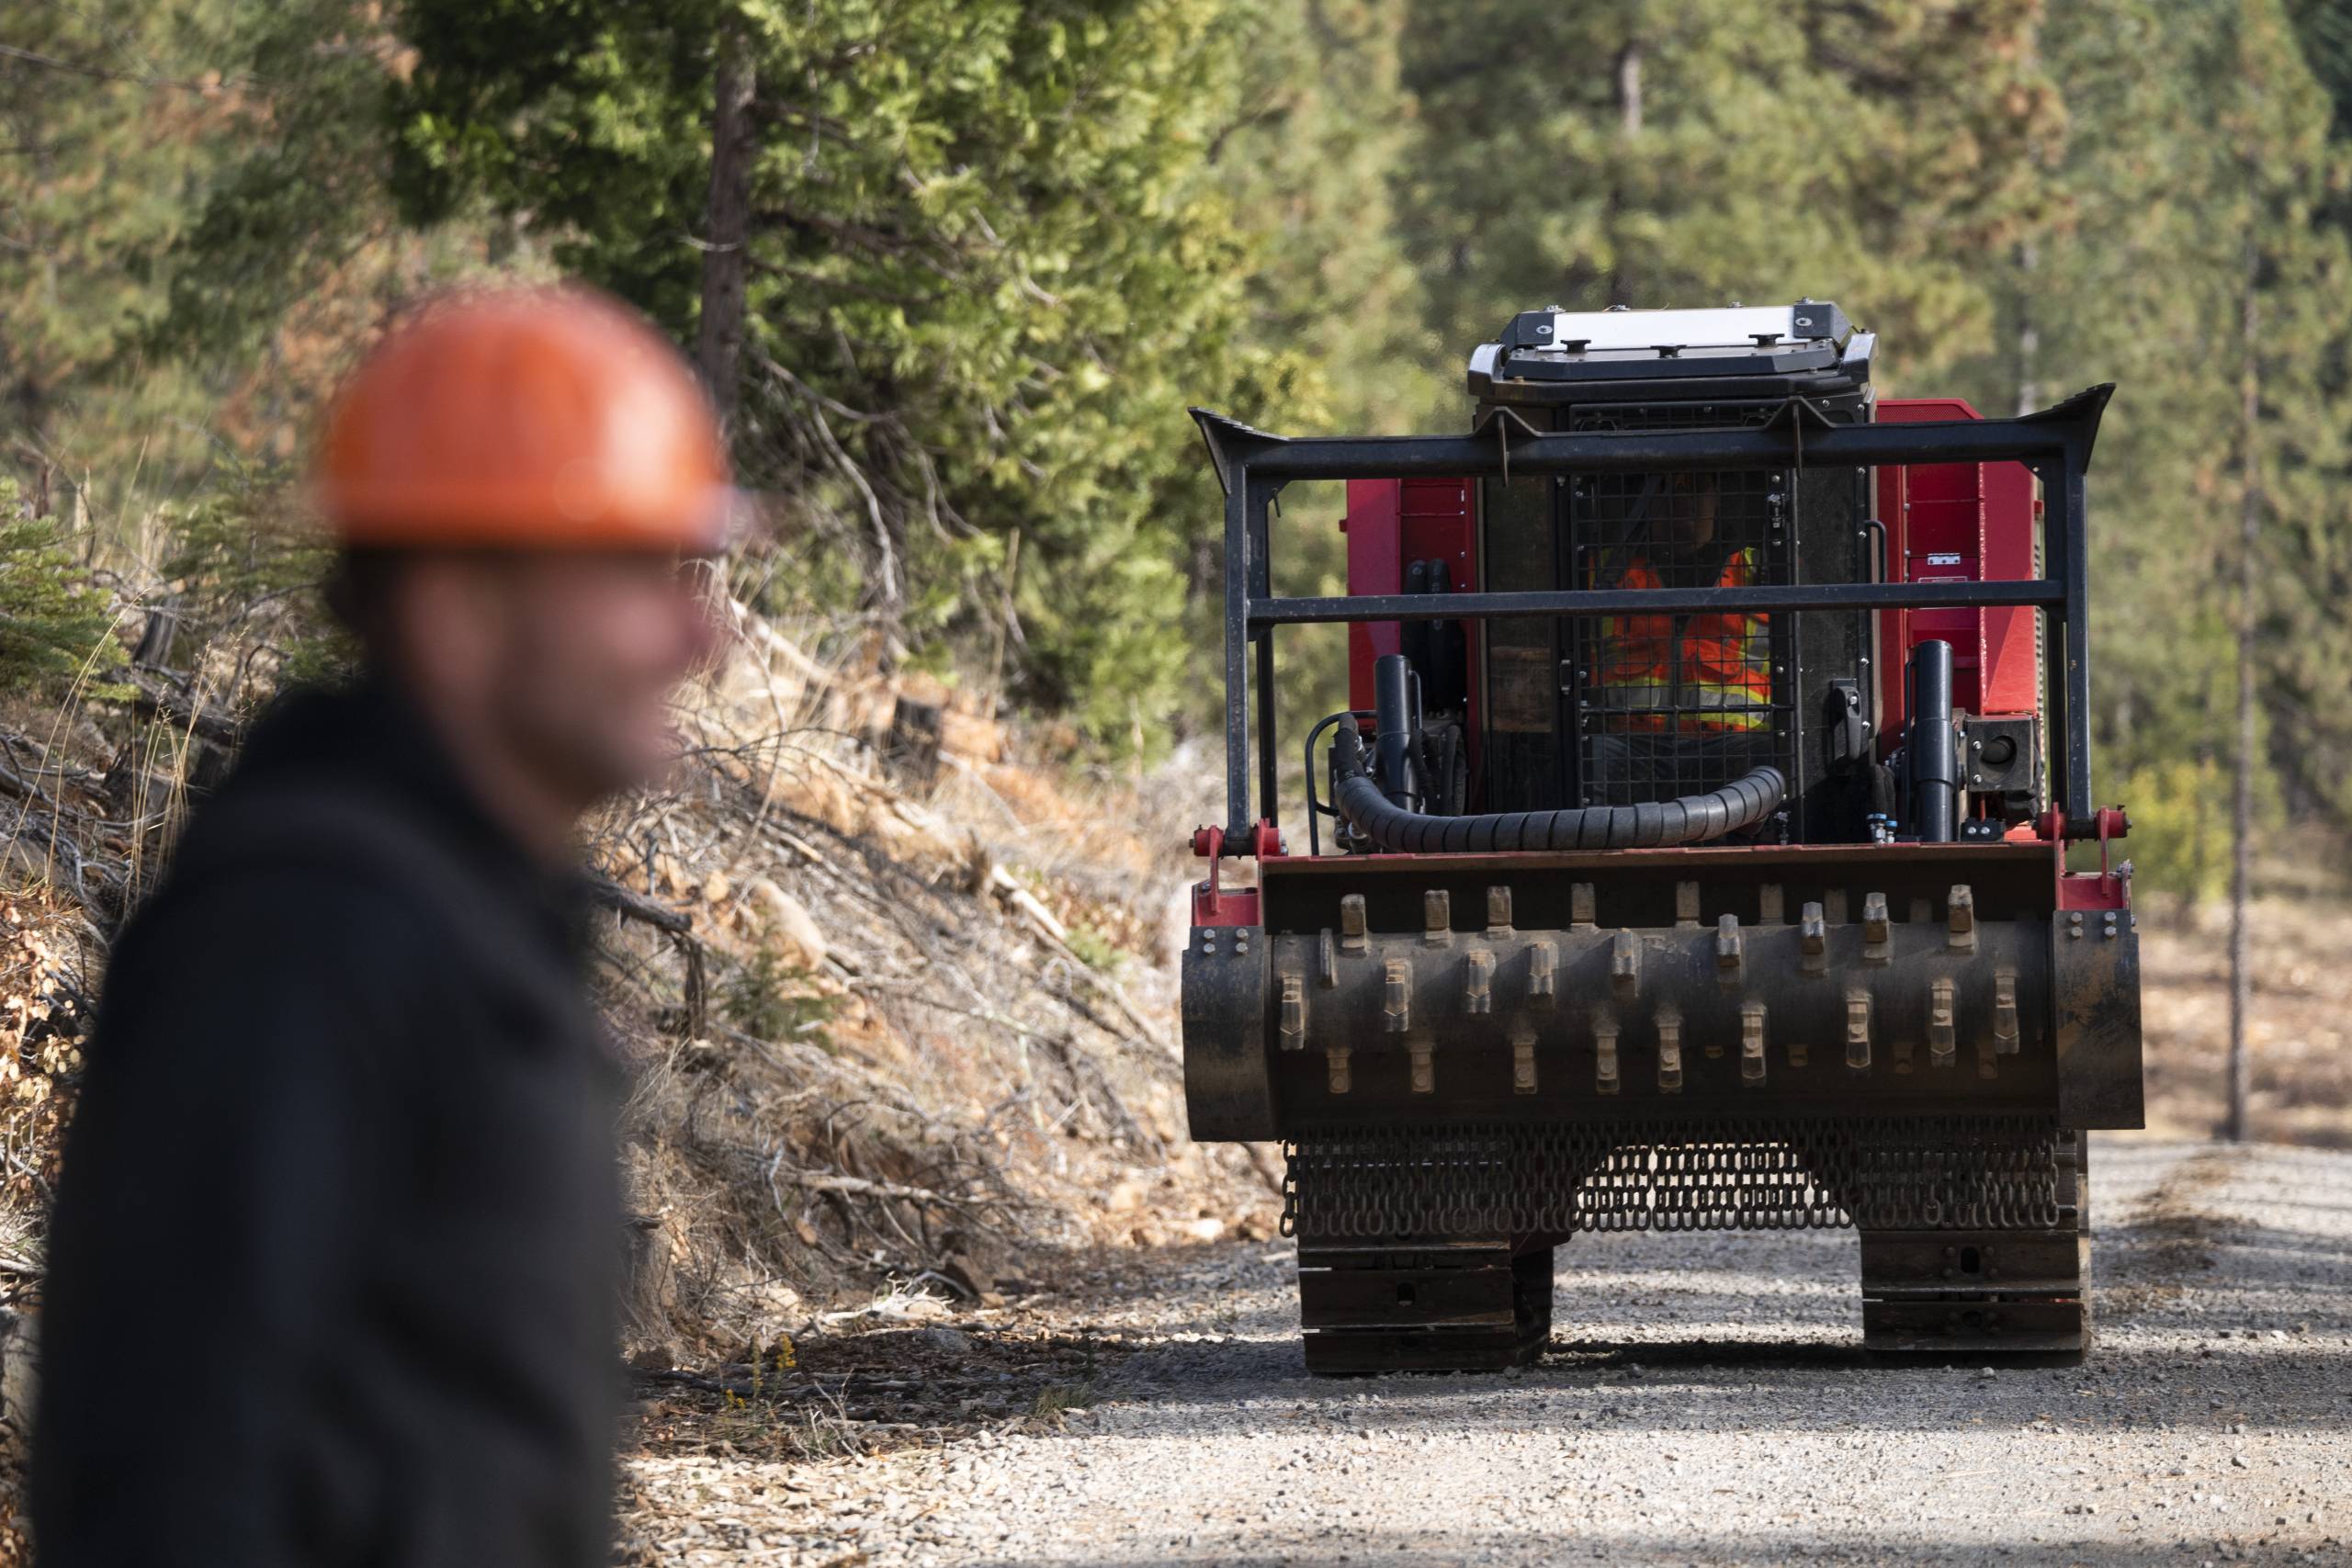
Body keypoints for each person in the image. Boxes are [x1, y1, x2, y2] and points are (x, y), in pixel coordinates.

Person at [33, 288, 730, 1567]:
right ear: (460, 608)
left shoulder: (453, 925)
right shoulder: (303, 943)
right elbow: (179, 1479)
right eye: (639, 572)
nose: (701, 632)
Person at [1584, 468, 1774, 803]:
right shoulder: (1604, 574)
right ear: (1647, 500)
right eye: (1667, 487)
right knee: (1587, 761)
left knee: (1768, 765)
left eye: (1695, 487)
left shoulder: (1762, 572)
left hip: (1728, 747)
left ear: (1717, 498)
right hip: (1632, 746)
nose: (1682, 502)